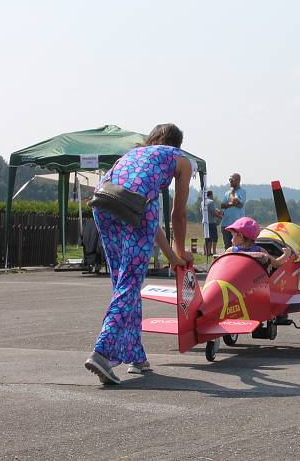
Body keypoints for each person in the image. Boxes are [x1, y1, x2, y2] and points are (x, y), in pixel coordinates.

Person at [84, 123, 194, 384]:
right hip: (136, 207)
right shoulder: (181, 160)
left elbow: (148, 215)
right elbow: (177, 214)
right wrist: (180, 252)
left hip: (103, 203)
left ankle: (135, 356)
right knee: (130, 284)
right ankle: (102, 352)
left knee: (122, 283)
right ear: (178, 144)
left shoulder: (133, 155)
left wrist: (171, 256)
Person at [217, 216, 293, 269]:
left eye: (232, 236)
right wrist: (286, 254)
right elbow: (276, 264)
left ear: (240, 236)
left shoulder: (231, 251)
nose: (231, 240)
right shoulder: (260, 252)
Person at [220, 173, 247, 249]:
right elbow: (222, 205)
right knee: (227, 247)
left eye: (232, 180)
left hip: (237, 225)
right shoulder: (226, 193)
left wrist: (232, 193)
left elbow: (237, 202)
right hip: (226, 224)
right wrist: (233, 203)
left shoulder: (242, 192)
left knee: (237, 247)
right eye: (229, 180)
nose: (230, 181)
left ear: (238, 181)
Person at [202, 190, 221, 256]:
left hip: (204, 222)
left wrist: (217, 210)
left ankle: (205, 252)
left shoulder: (203, 202)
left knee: (206, 237)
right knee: (214, 237)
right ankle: (212, 251)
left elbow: (212, 209)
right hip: (211, 222)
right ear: (211, 195)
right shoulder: (211, 202)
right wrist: (220, 216)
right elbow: (213, 213)